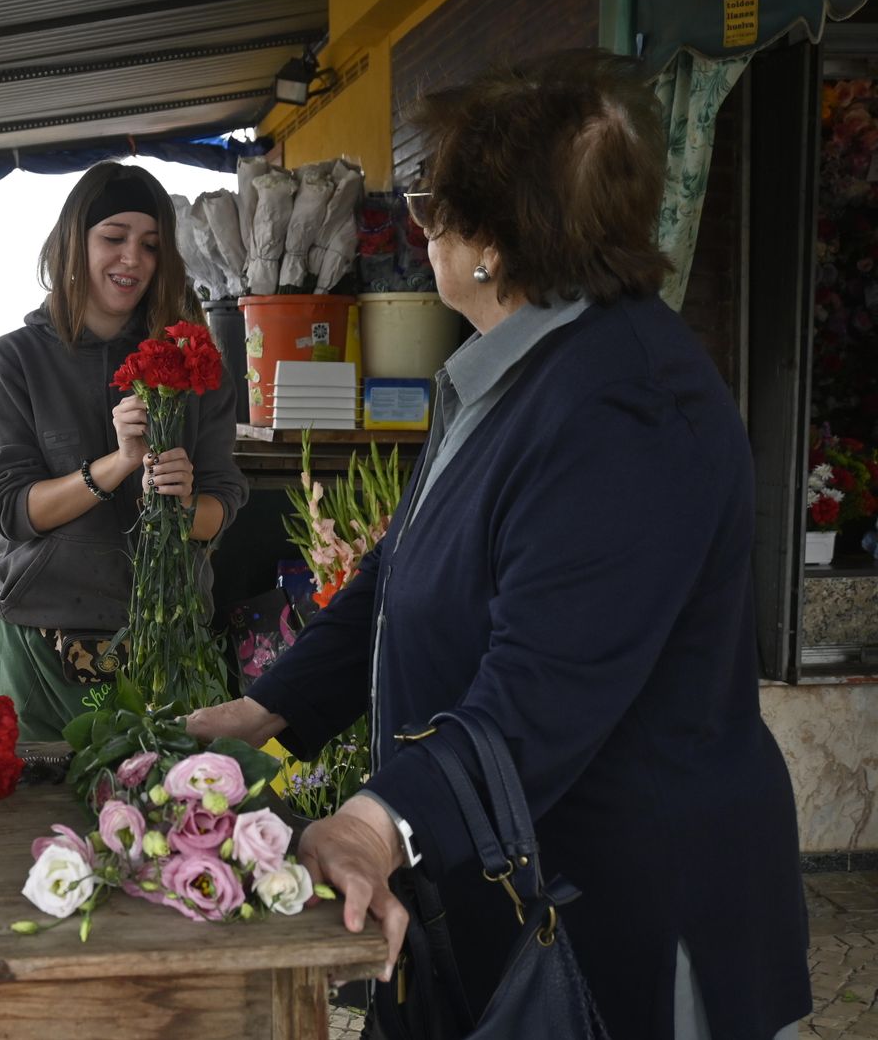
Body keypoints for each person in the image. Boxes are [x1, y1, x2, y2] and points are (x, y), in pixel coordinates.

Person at [186, 51, 810, 1040]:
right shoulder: (516, 370)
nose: (419, 227)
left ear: (494, 240)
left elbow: (544, 684)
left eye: (430, 202)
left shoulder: (627, 405)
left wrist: (377, 821)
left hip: (621, 916)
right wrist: (272, 706)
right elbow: (400, 572)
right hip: (508, 887)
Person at [0, 161, 248, 741]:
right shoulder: (14, 361)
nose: (132, 259)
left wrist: (179, 502)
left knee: (172, 800)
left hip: (169, 644)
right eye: (114, 237)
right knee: (33, 801)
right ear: (74, 243)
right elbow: (12, 508)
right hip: (40, 643)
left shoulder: (192, 362)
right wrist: (117, 465)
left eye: (150, 245)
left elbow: (222, 506)